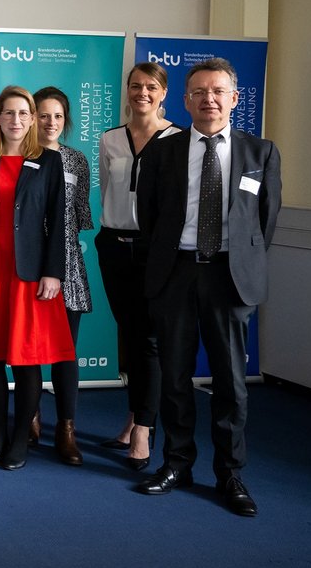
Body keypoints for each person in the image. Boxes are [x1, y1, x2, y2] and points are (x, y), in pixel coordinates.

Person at [136, 58, 281, 517]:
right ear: (185, 100)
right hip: (176, 271)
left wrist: (238, 258)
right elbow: (150, 216)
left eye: (218, 91)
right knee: (175, 375)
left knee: (231, 382)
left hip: (229, 275)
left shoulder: (260, 153)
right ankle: (177, 463)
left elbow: (265, 220)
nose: (209, 99)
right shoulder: (162, 151)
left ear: (234, 99)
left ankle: (230, 472)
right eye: (199, 92)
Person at [0, 86, 73, 471]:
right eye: (9, 113)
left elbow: (58, 224)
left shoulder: (49, 162)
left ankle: (21, 438)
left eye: (25, 113)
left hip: (29, 275)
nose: (17, 121)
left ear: (33, 118)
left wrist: (54, 272)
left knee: (26, 361)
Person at [96, 62, 179, 470]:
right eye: (134, 86)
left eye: (150, 87)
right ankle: (133, 417)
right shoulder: (109, 139)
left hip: (154, 250)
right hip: (113, 245)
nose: (141, 93)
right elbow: (108, 191)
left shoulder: (178, 139)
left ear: (163, 93)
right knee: (128, 334)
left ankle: (144, 430)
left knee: (147, 338)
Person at [33, 86, 93, 466]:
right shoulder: (22, 157)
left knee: (65, 353)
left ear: (65, 120)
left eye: (57, 116)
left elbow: (81, 217)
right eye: (43, 115)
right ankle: (30, 418)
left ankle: (66, 428)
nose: (50, 122)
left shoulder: (77, 161)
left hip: (68, 266)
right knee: (29, 351)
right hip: (27, 265)